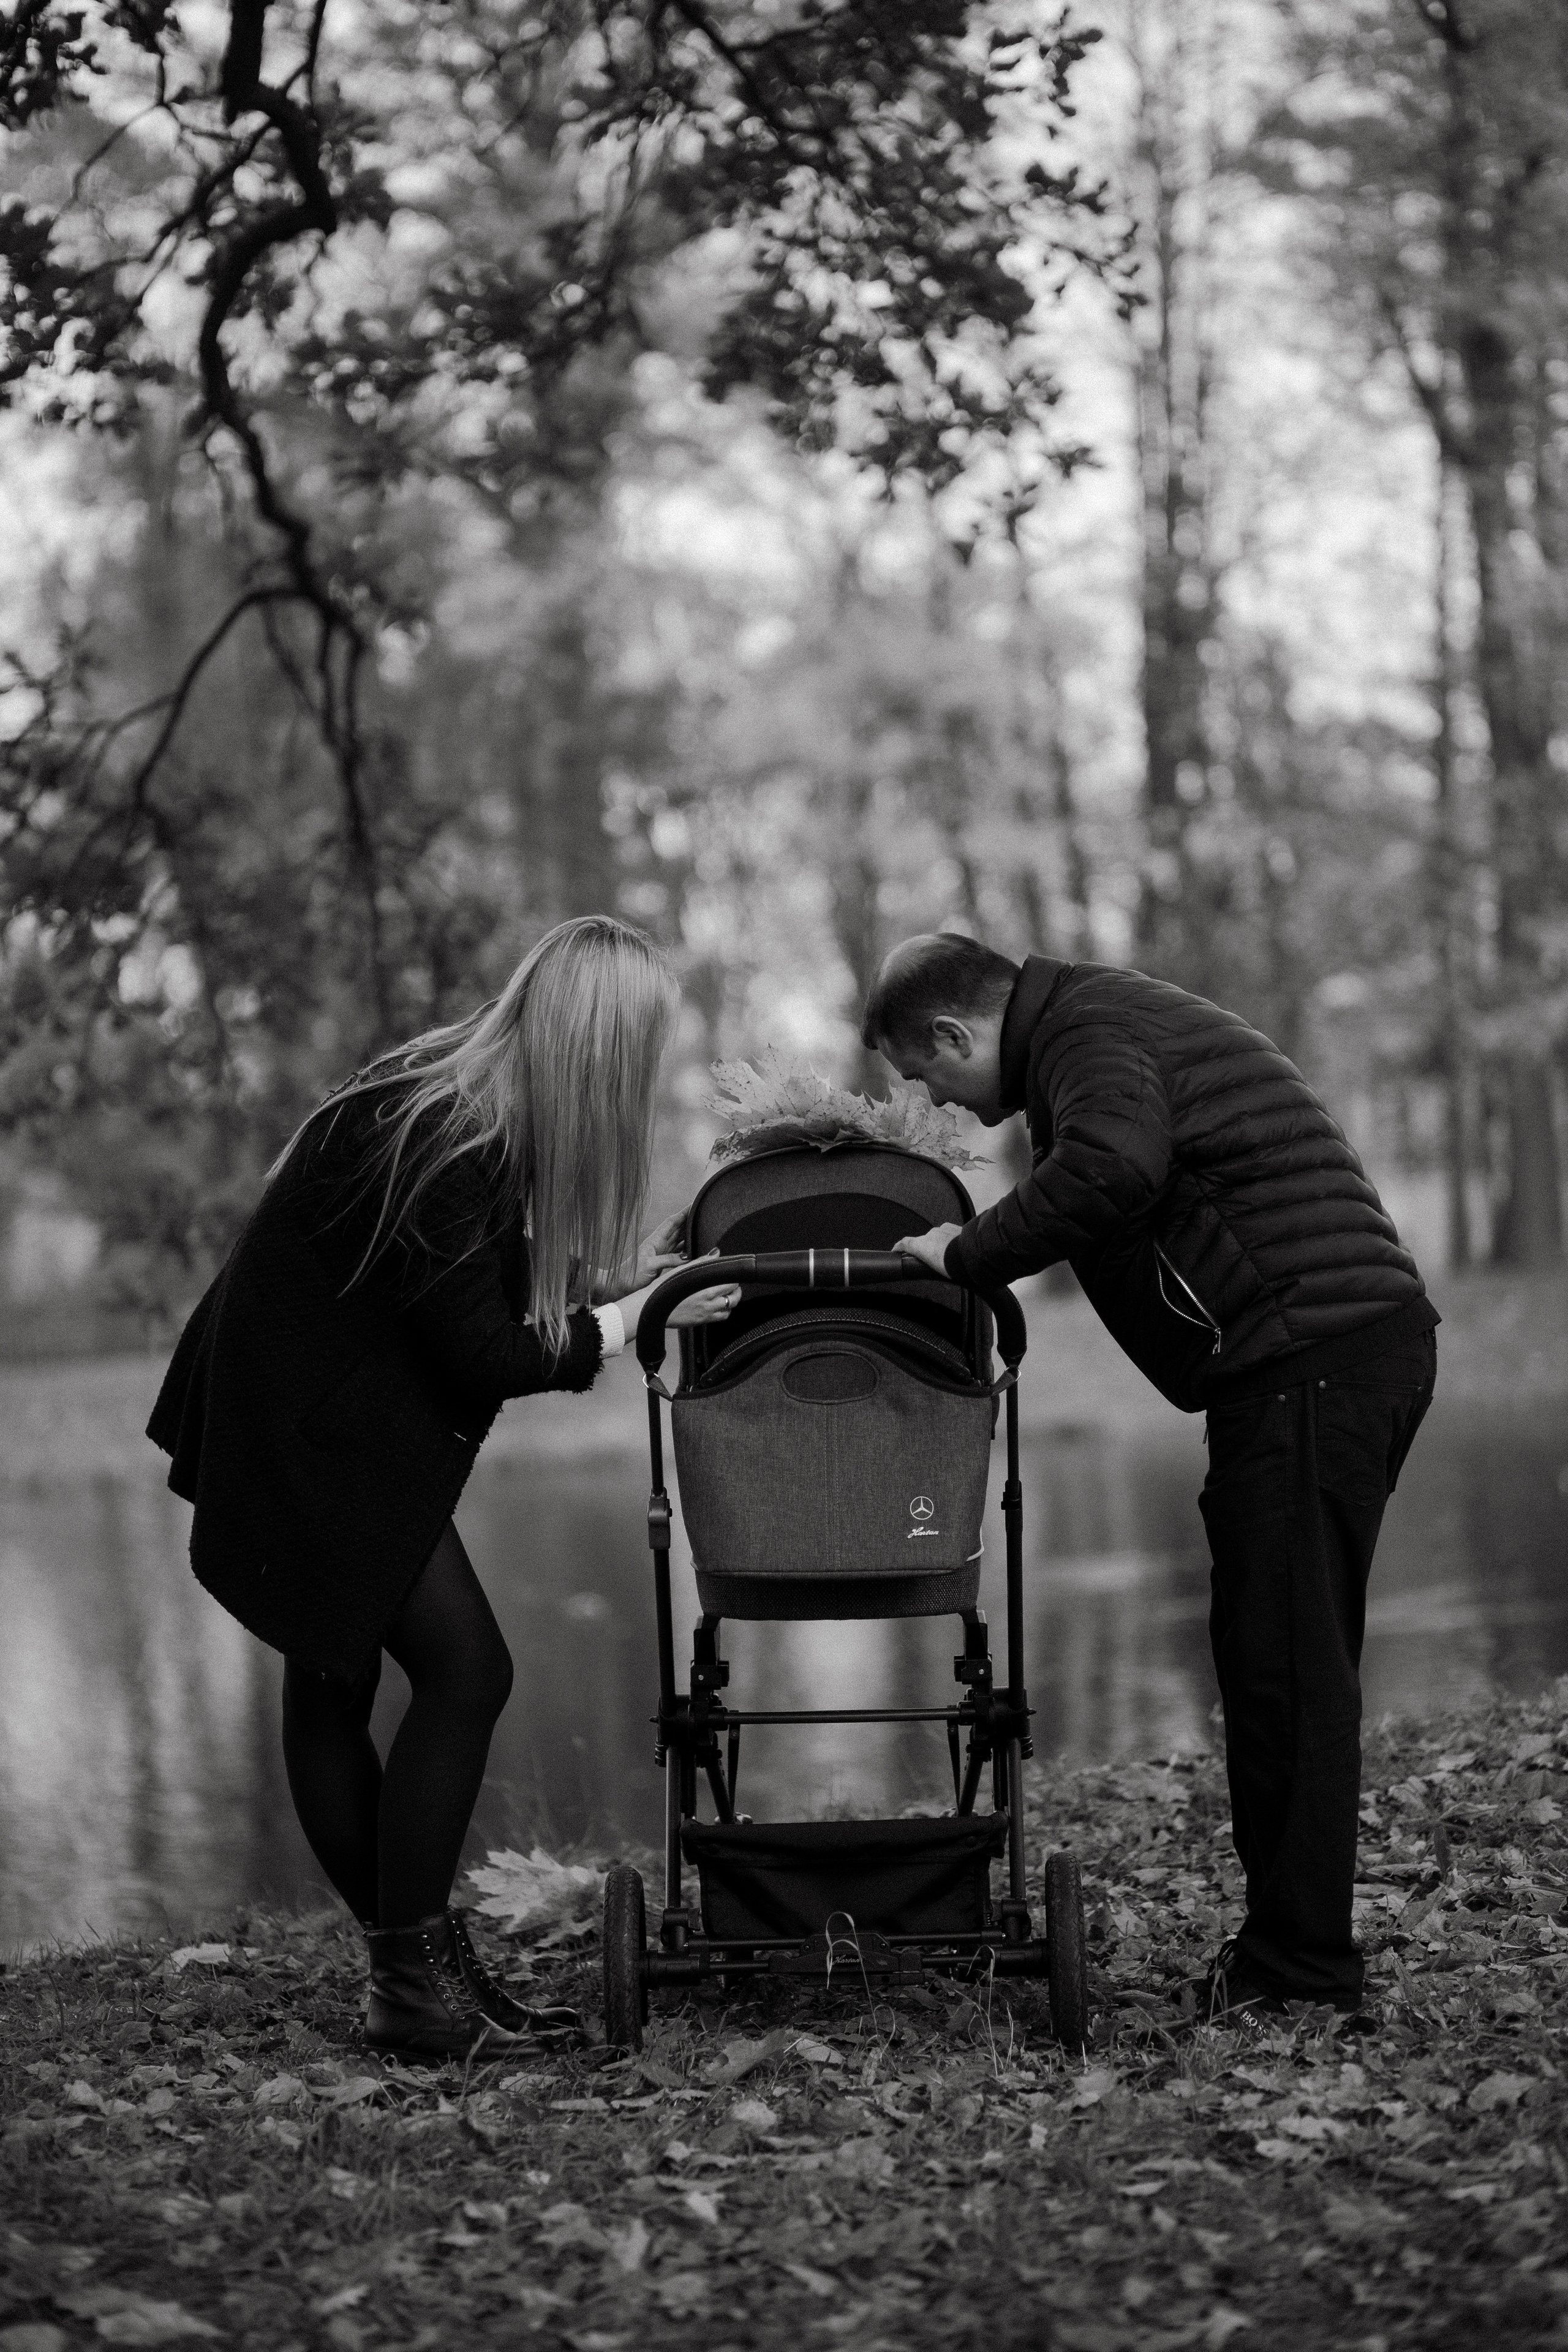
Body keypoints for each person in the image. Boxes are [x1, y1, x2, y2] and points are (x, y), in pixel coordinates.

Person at [148, 916, 737, 2059]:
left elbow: (469, 1288)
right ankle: (414, 1980)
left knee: (333, 1678)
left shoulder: (448, 1104)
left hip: (303, 1416)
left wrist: (618, 1282)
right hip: (305, 1434)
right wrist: (633, 1319)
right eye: (641, 1051)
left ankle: (416, 1971)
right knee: (465, 1671)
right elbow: (488, 1355)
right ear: (597, 1047)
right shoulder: (445, 1136)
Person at [867, 933, 1437, 2022]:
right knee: (1271, 1659)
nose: (931, 1097)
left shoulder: (1091, 1034)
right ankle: (1289, 1953)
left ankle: (1303, 1972)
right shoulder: (1095, 1026)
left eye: (922, 1073)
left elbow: (1115, 1170)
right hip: (1313, 1361)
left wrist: (968, 1252)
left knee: (1288, 1672)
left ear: (955, 1034)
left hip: (1315, 1364)